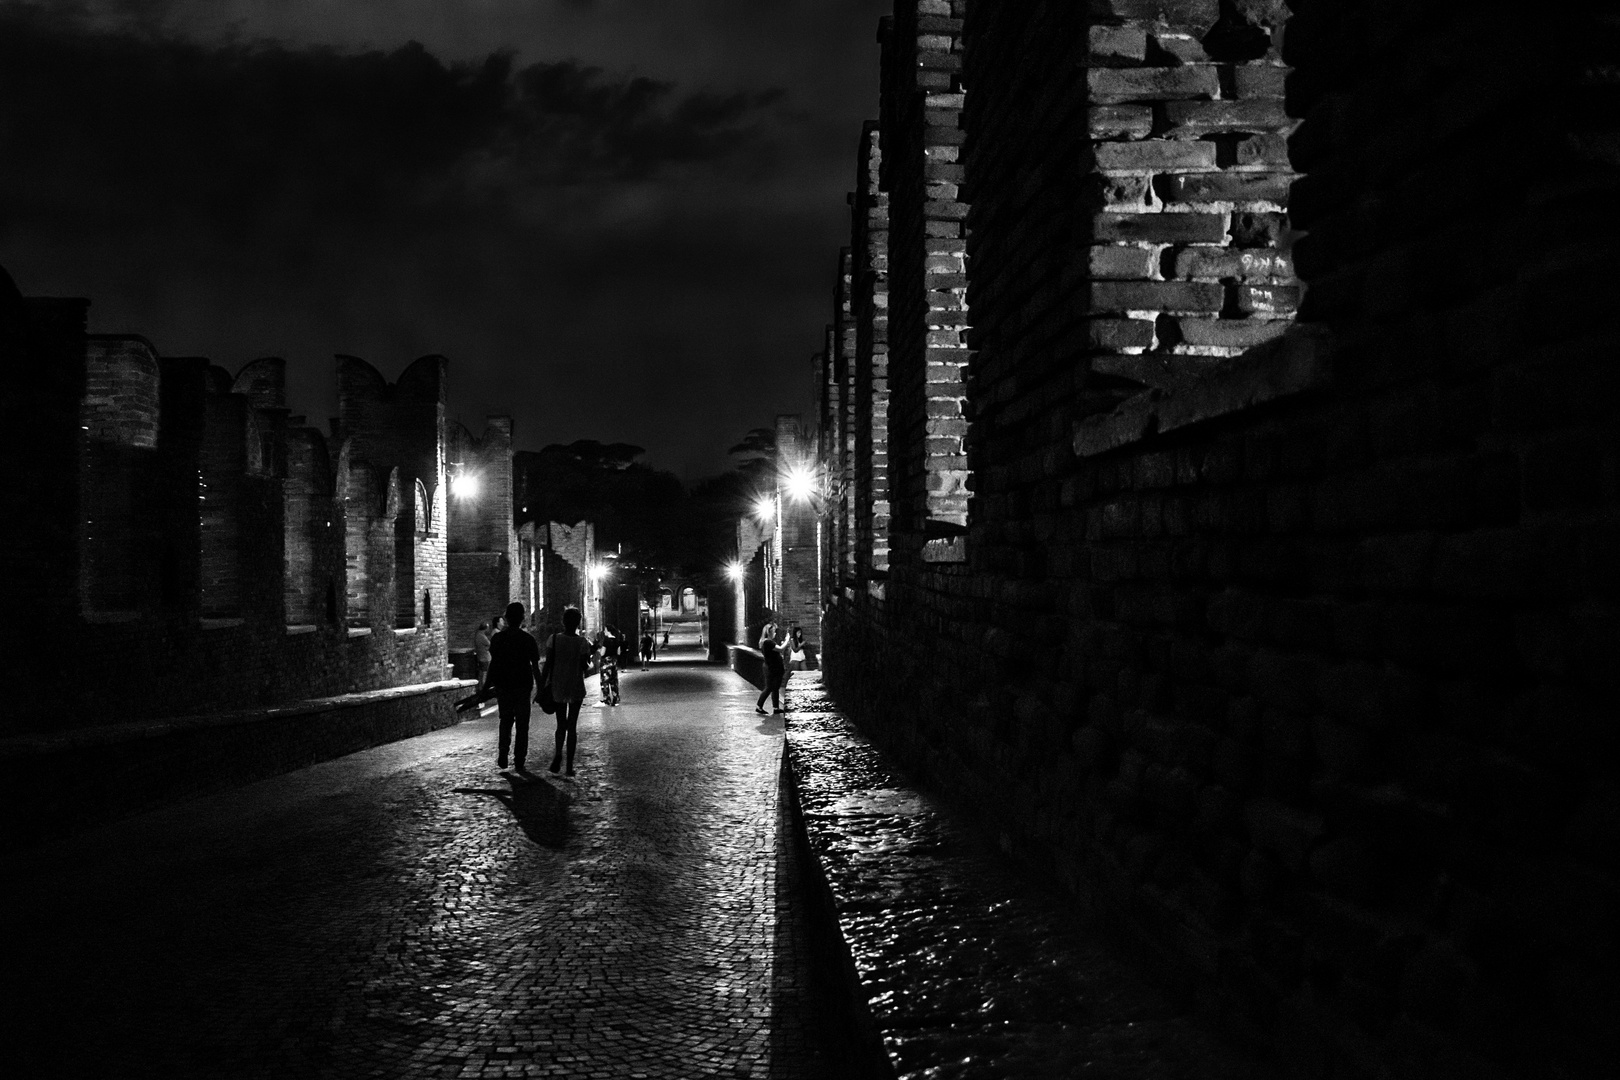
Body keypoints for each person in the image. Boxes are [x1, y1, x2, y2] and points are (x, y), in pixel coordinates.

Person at [541, 606, 595, 776]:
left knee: (560, 725)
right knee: (572, 726)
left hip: (558, 684)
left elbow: (548, 664)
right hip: (575, 685)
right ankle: (569, 766)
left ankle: (558, 754)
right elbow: (585, 667)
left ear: (563, 622)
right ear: (578, 623)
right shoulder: (582, 642)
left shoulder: (554, 639)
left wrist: (542, 686)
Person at [487, 602, 541, 771]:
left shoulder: (497, 639)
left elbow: (494, 664)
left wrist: (486, 686)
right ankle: (519, 758)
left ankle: (503, 752)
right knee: (522, 723)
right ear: (522, 618)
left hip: (504, 684)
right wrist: (541, 687)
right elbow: (535, 666)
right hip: (523, 685)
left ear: (506, 618)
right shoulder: (528, 640)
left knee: (506, 720)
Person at [756, 626, 786, 715]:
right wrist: (787, 641)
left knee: (775, 687)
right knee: (769, 687)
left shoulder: (764, 642)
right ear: (769, 632)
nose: (775, 633)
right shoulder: (768, 642)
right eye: (773, 631)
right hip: (773, 667)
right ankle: (759, 706)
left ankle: (776, 707)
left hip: (772, 667)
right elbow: (780, 649)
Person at [596, 624, 622, 706]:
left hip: (606, 663)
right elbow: (619, 652)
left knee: (605, 682)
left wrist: (600, 650)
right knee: (614, 681)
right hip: (614, 662)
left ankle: (606, 700)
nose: (604, 631)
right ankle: (615, 699)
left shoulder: (606, 640)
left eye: (605, 630)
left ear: (608, 630)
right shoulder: (616, 640)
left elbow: (603, 653)